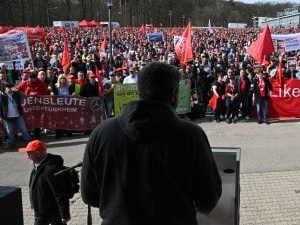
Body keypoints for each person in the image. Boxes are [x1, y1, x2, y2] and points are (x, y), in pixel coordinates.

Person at [81, 62, 222, 225]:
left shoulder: (101, 133)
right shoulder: (191, 135)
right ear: (174, 94)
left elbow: (89, 195)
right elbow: (208, 199)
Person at [18, 140, 70, 225]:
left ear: (38, 153)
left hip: (46, 210)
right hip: (44, 207)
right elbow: (33, 184)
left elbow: (60, 193)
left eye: (29, 153)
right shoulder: (38, 165)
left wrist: (64, 214)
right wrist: (33, 202)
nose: (28, 157)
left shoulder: (49, 170)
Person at [0, 83, 31, 150]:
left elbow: (25, 96)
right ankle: (12, 144)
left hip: (18, 115)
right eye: (7, 87)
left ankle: (29, 142)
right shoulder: (1, 94)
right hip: (7, 117)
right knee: (10, 131)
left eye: (10, 87)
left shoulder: (16, 93)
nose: (9, 89)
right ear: (4, 88)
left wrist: (18, 91)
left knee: (24, 129)